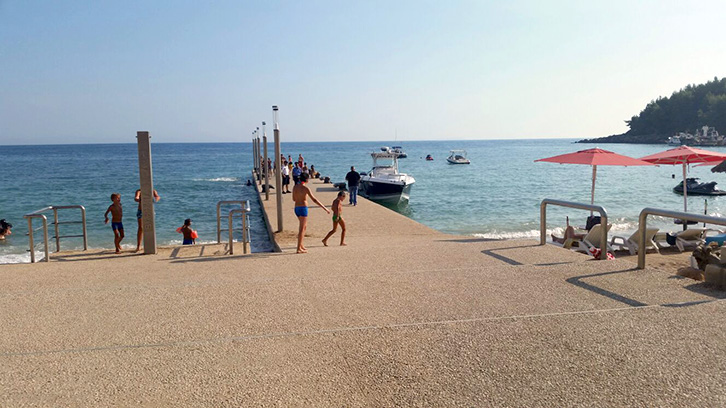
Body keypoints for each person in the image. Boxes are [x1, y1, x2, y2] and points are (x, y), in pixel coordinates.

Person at [292, 173, 330, 253]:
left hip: (296, 208)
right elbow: (314, 199)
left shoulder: (295, 187)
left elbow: (294, 199)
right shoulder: (306, 188)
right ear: (306, 179)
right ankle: (298, 248)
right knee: (302, 228)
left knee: (304, 227)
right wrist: (324, 208)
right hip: (303, 208)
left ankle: (301, 245)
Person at [134, 188, 161, 252]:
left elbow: (157, 197)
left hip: (149, 210)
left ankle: (151, 244)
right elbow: (136, 197)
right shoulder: (139, 191)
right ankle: (138, 245)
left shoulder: (153, 190)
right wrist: (139, 199)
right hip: (141, 210)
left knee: (150, 227)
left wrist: (154, 200)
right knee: (140, 228)